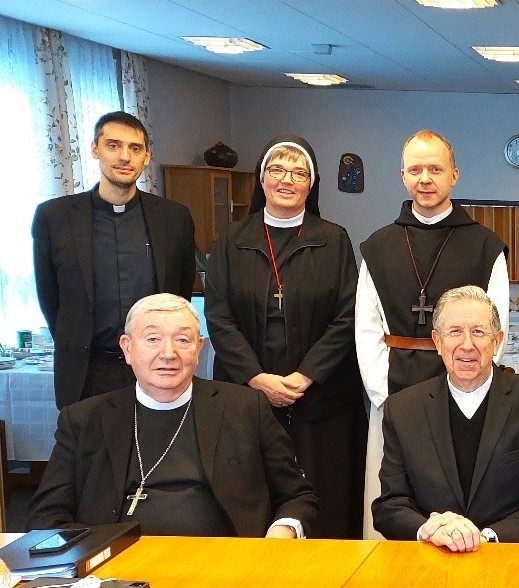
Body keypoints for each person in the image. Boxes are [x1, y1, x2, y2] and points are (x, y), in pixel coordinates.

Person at [28, 294, 317, 537]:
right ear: (127, 348)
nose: (168, 353)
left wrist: (280, 534)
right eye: (153, 339)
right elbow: (46, 517)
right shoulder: (83, 420)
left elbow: (297, 496)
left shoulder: (245, 408)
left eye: (182, 340)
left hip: (226, 564)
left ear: (199, 348)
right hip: (117, 568)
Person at [204, 135, 365, 538]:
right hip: (247, 394)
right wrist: (255, 377)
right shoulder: (231, 240)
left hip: (321, 398)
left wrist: (306, 375)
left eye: (298, 172)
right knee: (252, 493)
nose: (287, 180)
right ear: (262, 179)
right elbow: (219, 317)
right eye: (277, 169)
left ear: (311, 185)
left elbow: (348, 315)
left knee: (325, 497)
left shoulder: (334, 239)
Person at [356, 130, 509, 537]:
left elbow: (496, 327)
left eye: (435, 169)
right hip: (392, 389)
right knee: (393, 498)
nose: (425, 179)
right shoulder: (378, 246)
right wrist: (385, 396)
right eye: (415, 170)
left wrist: (470, 387)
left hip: (464, 391)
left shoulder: (485, 246)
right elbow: (366, 328)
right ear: (402, 176)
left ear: (454, 176)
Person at [372, 286, 519, 550]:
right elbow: (389, 506)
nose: (467, 345)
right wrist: (429, 531)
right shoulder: (403, 409)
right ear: (437, 341)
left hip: (510, 557)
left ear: (497, 341)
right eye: (455, 332)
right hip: (433, 557)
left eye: (478, 332)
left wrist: (487, 537)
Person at [32, 111, 196, 409]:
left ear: (147, 156)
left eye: (135, 148)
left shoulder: (174, 218)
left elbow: (179, 295)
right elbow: (50, 297)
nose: (124, 157)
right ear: (95, 149)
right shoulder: (54, 217)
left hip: (155, 369)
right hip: (86, 371)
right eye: (113, 145)